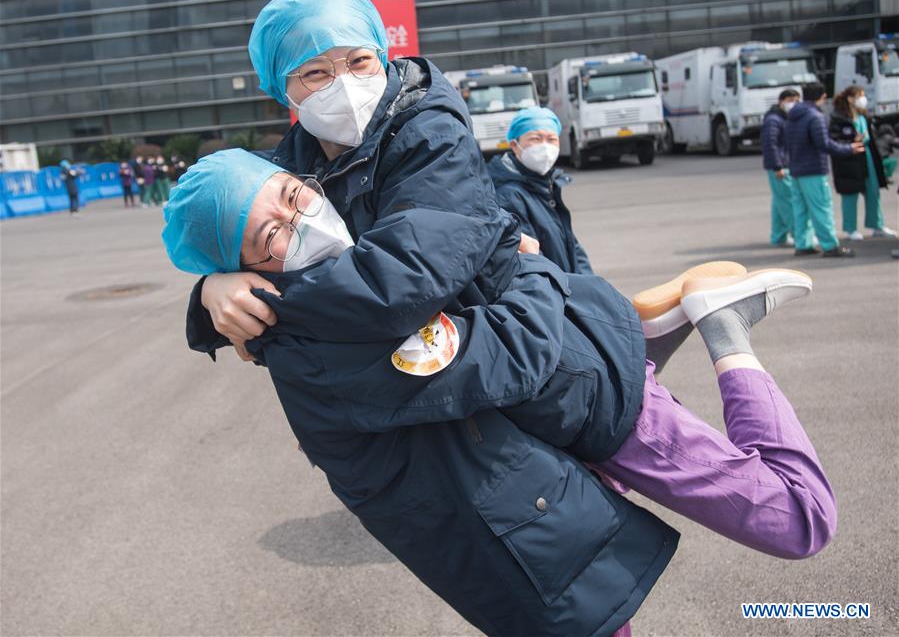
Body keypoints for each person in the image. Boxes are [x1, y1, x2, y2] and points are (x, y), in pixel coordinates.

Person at [165, 147, 836, 635]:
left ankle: (723, 329)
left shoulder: (361, 242)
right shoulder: (330, 322)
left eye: (292, 195)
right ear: (249, 272)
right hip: (549, 439)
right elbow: (500, 353)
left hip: (584, 403)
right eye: (272, 236)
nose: (304, 220)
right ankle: (652, 335)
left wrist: (532, 267)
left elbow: (509, 348)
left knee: (798, 521)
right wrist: (205, 298)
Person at [487, 107, 593, 275]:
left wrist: (590, 285)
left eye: (552, 139)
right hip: (552, 293)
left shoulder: (547, 185)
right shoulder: (509, 194)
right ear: (515, 145)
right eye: (536, 139)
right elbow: (532, 260)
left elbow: (572, 246)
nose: (545, 147)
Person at [785, 82, 864, 258]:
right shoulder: (814, 116)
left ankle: (803, 244)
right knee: (821, 208)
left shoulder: (792, 115)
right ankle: (830, 246)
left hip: (796, 169)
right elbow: (824, 144)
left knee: (800, 209)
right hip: (813, 169)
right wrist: (849, 148)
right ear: (822, 97)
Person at [828, 85, 896, 241]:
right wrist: (851, 141)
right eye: (859, 95)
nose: (862, 99)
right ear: (850, 98)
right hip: (849, 160)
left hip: (868, 157)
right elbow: (834, 140)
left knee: (873, 191)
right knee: (850, 194)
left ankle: (876, 225)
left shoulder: (863, 115)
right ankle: (850, 229)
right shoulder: (838, 117)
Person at [761, 89, 800, 247]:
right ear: (781, 101)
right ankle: (799, 234)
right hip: (780, 166)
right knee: (788, 201)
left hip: (783, 164)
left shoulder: (783, 117)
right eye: (791, 100)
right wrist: (777, 166)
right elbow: (770, 145)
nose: (793, 104)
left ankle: (779, 235)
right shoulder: (774, 119)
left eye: (797, 100)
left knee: (779, 202)